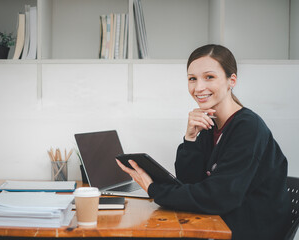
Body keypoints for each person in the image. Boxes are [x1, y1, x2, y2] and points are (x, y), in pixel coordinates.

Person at [116, 44, 291, 240]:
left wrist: (153, 189)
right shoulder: (210, 125)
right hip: (220, 223)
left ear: (231, 80)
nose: (199, 87)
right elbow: (190, 183)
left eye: (209, 77)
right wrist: (190, 139)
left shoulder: (248, 127)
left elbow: (219, 197)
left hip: (248, 231)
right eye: (192, 79)